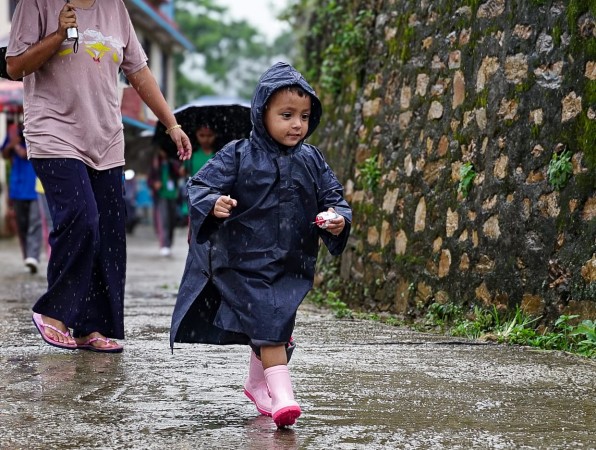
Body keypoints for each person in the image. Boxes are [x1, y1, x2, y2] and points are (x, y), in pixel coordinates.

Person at [170, 62, 352, 427]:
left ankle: (257, 383)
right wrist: (214, 203)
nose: (296, 124)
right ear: (262, 113)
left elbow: (334, 198)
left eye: (303, 116)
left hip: (291, 262)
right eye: (286, 115)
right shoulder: (238, 154)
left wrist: (336, 218)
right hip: (243, 261)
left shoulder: (312, 159)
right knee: (270, 322)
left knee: (276, 323)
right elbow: (199, 187)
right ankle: (285, 397)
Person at [6, 0, 192, 352]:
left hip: (106, 138)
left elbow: (138, 71)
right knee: (81, 217)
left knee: (107, 232)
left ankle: (91, 325)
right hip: (54, 132)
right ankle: (54, 312)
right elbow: (15, 66)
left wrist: (171, 124)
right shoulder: (37, 4)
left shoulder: (115, 8)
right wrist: (58, 34)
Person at [1, 122, 42, 274]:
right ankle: (27, 257)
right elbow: (4, 154)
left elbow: (25, 155)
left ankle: (33, 256)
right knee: (22, 225)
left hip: (34, 186)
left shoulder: (36, 128)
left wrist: (17, 146)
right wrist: (11, 144)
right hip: (18, 188)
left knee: (35, 223)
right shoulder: (12, 132)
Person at [178, 124, 218, 221]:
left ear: (215, 135)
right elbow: (184, 172)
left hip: (214, 200)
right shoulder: (191, 157)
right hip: (194, 200)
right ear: (196, 135)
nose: (206, 139)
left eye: (209, 135)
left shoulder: (219, 156)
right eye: (202, 135)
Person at [148, 149, 181, 257]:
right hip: (161, 196)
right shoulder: (156, 164)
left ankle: (169, 243)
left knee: (172, 221)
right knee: (164, 220)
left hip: (173, 196)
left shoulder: (173, 163)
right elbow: (150, 180)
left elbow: (180, 174)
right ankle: (164, 244)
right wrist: (154, 184)